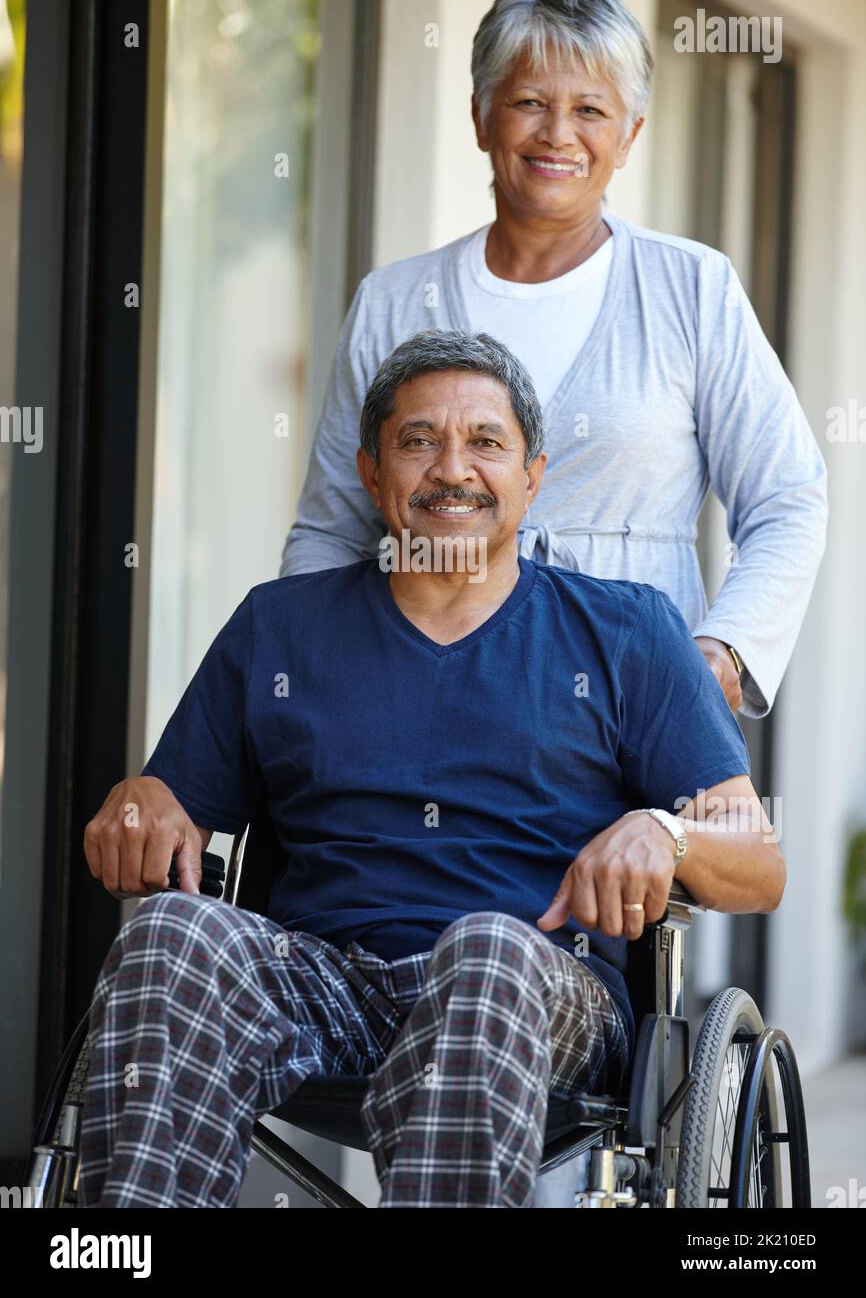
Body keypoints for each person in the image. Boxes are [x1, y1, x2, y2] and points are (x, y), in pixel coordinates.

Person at [80, 331, 783, 1209]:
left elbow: (758, 864)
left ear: (534, 475)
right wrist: (139, 801)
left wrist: (669, 831)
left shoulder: (628, 633)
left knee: (485, 948)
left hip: (534, 984)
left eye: (486, 442)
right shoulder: (279, 628)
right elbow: (160, 814)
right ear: (374, 476)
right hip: (321, 982)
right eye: (419, 442)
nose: (454, 470)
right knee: (169, 935)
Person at [280, 0, 827, 720]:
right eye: (530, 102)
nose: (558, 135)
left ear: (630, 136)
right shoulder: (395, 301)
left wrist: (724, 652)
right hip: (423, 706)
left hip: (635, 713)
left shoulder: (692, 288)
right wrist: (303, 686)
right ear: (480, 117)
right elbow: (332, 529)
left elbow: (787, 498)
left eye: (591, 110)